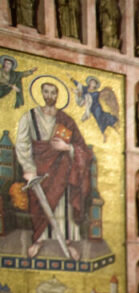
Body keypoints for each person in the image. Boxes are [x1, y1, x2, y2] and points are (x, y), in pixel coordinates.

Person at [14, 78, 92, 260]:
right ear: (41, 93)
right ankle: (39, 239)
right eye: (46, 91)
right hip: (38, 169)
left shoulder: (67, 120)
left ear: (58, 95)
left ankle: (66, 240)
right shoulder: (30, 116)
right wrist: (28, 167)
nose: (50, 96)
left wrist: (68, 149)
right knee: (39, 204)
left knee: (62, 204)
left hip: (62, 170)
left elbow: (83, 149)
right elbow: (22, 143)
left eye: (54, 92)